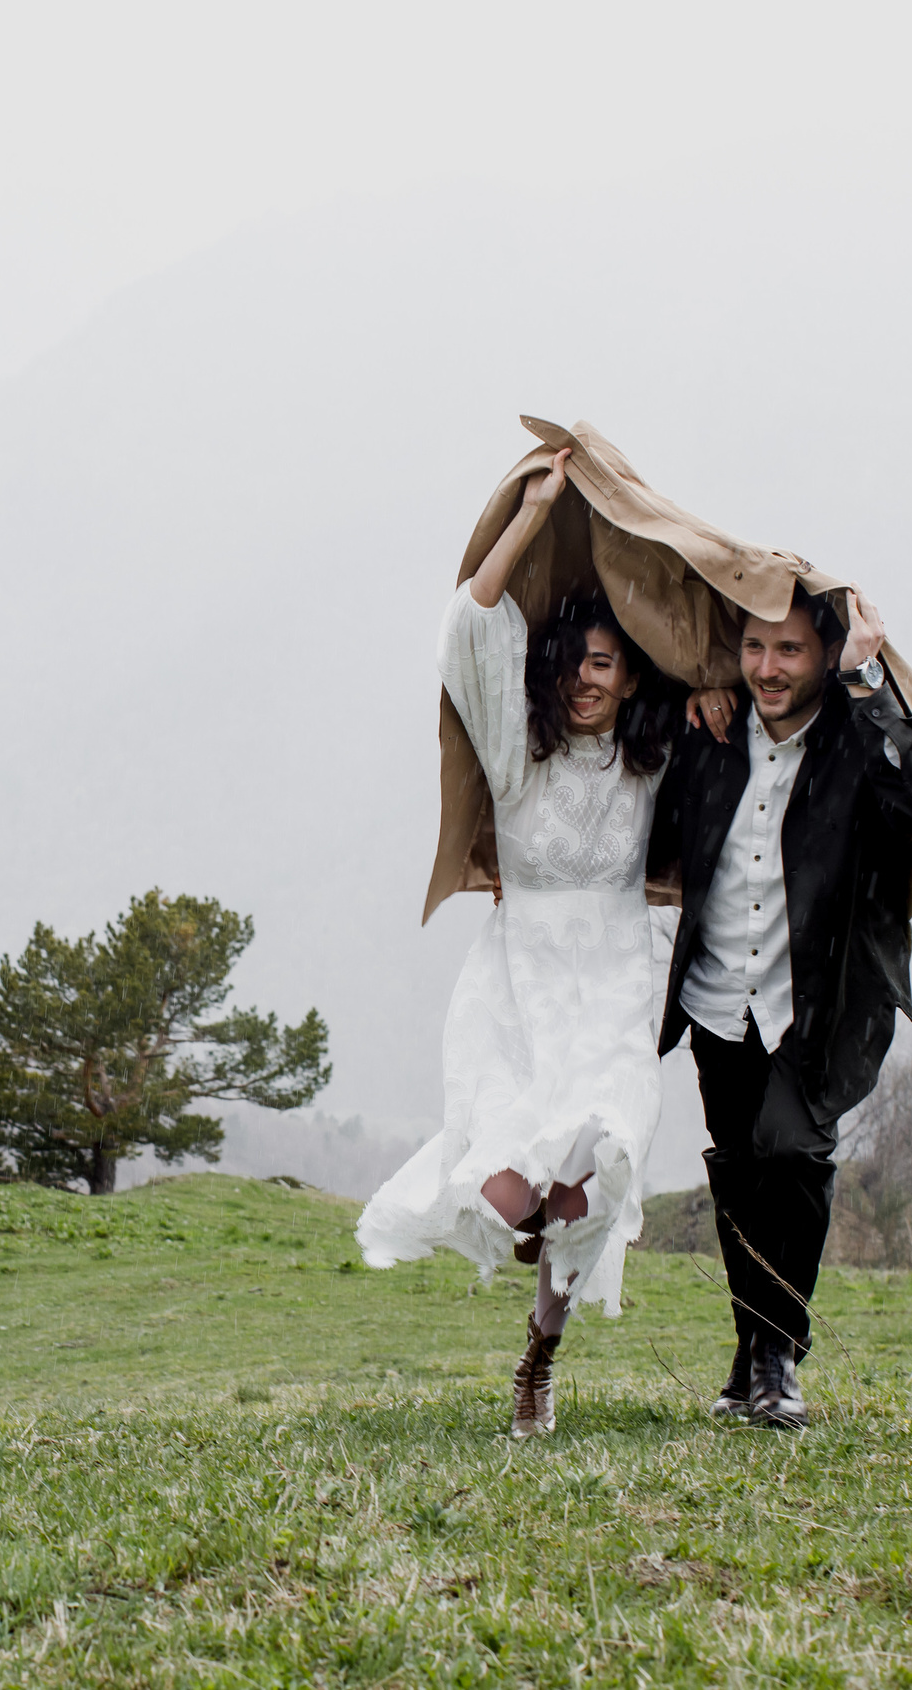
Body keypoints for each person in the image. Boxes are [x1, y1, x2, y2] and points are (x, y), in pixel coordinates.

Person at [356, 447, 694, 1438]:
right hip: (516, 991)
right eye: (572, 665)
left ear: (630, 675)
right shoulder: (520, 755)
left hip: (611, 995)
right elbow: (472, 621)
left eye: (602, 664)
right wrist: (534, 507)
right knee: (511, 1190)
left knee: (597, 1166)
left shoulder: (650, 763)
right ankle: (531, 1230)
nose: (584, 681)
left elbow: (713, 661)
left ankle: (539, 1358)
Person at [652, 583, 912, 1428]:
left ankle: (779, 1351)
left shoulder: (853, 741)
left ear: (824, 654)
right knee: (740, 1170)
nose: (769, 668)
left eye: (790, 650)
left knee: (792, 1153)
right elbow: (661, 830)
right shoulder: (711, 737)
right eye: (754, 648)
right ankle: (751, 1350)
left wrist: (865, 681)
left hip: (815, 1005)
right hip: (717, 998)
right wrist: (690, 700)